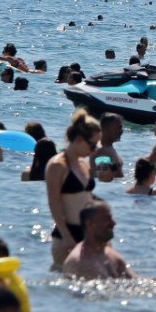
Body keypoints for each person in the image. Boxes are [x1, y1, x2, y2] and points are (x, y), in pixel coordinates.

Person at [45, 109, 99, 268]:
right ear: (80, 139)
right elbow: (53, 204)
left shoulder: (83, 163)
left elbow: (87, 197)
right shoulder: (57, 165)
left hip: (89, 234)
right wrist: (67, 236)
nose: (95, 149)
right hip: (67, 235)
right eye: (93, 144)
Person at [62, 200, 136, 280]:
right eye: (106, 219)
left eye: (111, 218)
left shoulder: (109, 253)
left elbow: (134, 281)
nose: (113, 223)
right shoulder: (83, 262)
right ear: (90, 224)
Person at [91, 113, 124, 181]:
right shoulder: (100, 150)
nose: (121, 131)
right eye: (118, 127)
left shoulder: (108, 147)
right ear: (106, 128)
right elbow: (97, 178)